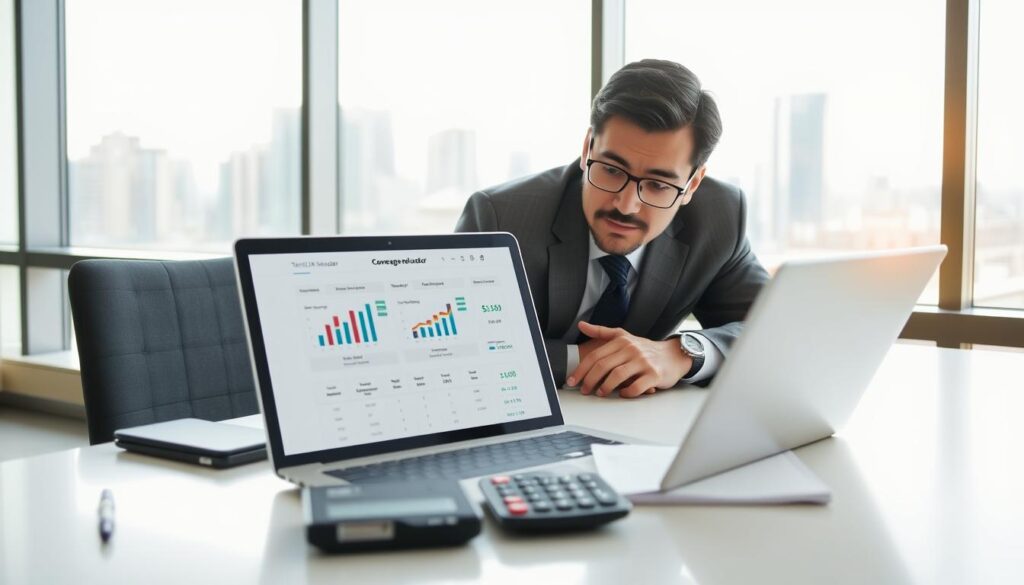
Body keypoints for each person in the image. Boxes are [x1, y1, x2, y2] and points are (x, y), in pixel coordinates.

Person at [455, 59, 768, 398]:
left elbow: (777, 329)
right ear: (587, 148)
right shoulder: (500, 219)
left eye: (658, 186)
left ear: (693, 184)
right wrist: (580, 359)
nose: (625, 205)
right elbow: (453, 348)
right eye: (612, 170)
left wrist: (681, 354)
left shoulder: (718, 216)